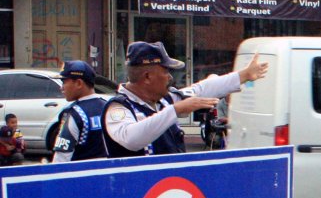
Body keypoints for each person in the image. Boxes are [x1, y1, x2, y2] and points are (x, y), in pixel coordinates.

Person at [101, 41, 268, 157]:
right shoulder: (118, 108)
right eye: (166, 72)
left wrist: (243, 76)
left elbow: (201, 89)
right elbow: (133, 139)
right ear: (147, 77)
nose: (170, 78)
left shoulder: (165, 100)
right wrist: (176, 110)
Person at [52, 60, 107, 162]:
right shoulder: (108, 107)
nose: (61, 88)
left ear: (78, 83)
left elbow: (62, 157)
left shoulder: (74, 114)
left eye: (64, 82)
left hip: (82, 174)